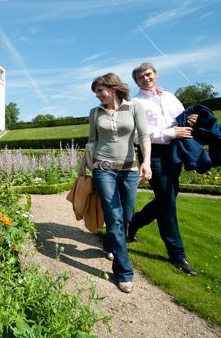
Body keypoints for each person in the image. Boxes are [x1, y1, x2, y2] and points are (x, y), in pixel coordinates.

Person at [80, 73, 151, 293]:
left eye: (100, 91)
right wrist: (83, 166)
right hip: (103, 169)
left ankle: (111, 243)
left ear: (112, 88)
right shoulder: (95, 113)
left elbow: (144, 135)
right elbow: (92, 141)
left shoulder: (134, 107)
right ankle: (124, 271)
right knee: (114, 216)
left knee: (127, 215)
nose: (98, 96)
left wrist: (146, 161)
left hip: (129, 169)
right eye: (96, 93)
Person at [129, 63, 198, 276]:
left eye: (148, 74)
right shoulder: (135, 102)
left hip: (175, 152)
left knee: (167, 197)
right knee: (167, 201)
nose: (145, 79)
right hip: (153, 152)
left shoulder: (169, 97)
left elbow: (180, 119)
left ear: (156, 75)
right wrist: (170, 133)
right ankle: (177, 254)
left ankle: (134, 223)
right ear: (137, 82)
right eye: (140, 77)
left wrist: (190, 120)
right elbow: (137, 133)